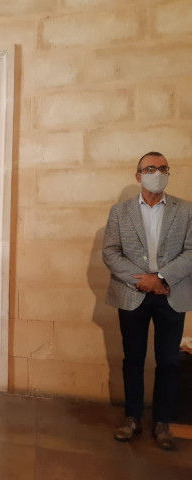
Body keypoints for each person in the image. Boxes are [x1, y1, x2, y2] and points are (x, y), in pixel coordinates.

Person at [103, 151, 192, 450]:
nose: (158, 172)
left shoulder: (185, 209)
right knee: (133, 360)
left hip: (172, 294)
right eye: (151, 168)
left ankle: (162, 423)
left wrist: (162, 278)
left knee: (168, 362)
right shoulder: (120, 211)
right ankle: (132, 418)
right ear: (138, 175)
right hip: (133, 294)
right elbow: (111, 252)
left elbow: (191, 252)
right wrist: (145, 281)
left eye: (163, 168)